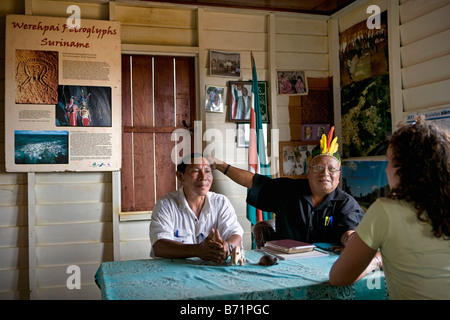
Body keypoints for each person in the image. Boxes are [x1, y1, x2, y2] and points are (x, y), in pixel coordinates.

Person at [329, 117, 450, 300]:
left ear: (405, 170)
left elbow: (339, 277)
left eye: (389, 162)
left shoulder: (385, 211)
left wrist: (377, 260)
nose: (385, 171)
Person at [210, 127, 364, 247]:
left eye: (331, 169)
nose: (325, 173)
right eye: (318, 168)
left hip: (328, 267)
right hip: (285, 263)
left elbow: (349, 233)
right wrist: (220, 165)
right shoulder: (288, 190)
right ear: (308, 171)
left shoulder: (346, 204)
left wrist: (351, 242)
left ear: (338, 175)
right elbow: (252, 181)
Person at [150, 153, 244, 264]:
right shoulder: (166, 205)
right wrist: (197, 250)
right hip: (174, 272)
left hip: (212, 270)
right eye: (195, 171)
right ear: (180, 176)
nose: (203, 177)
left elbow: (236, 235)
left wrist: (227, 247)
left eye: (207, 171)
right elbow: (159, 246)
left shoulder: (221, 202)